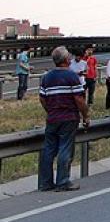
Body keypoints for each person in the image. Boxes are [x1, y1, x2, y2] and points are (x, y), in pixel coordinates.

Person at [38, 46, 90, 191]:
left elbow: (42, 99)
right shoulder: (72, 76)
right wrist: (85, 116)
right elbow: (79, 99)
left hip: (53, 118)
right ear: (67, 60)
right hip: (68, 117)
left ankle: (45, 183)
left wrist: (50, 111)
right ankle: (62, 181)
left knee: (49, 150)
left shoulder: (46, 77)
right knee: (65, 149)